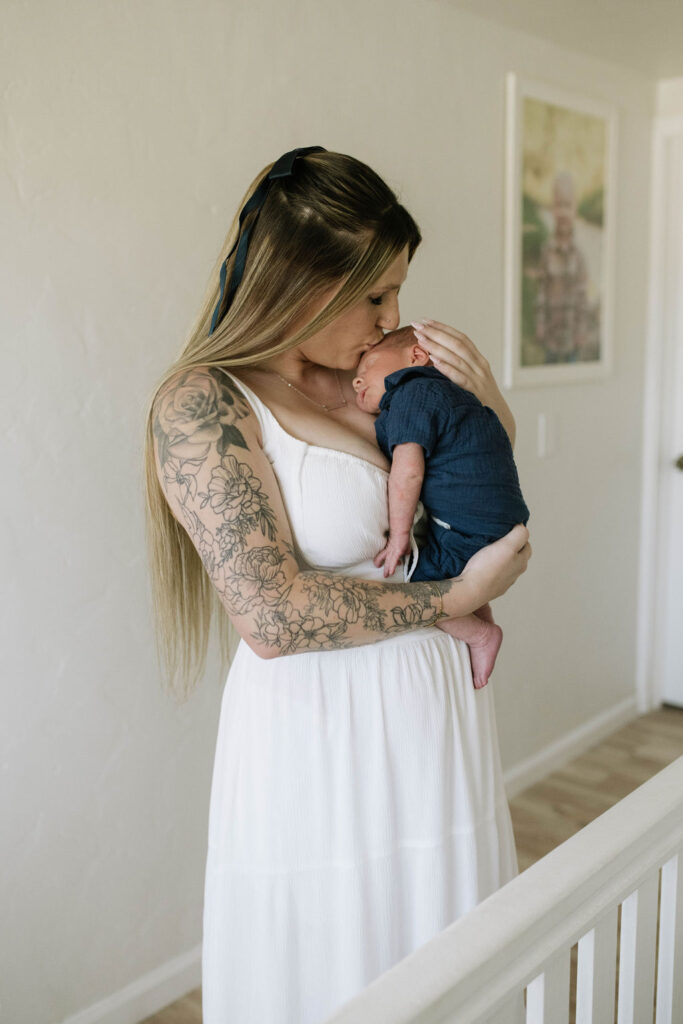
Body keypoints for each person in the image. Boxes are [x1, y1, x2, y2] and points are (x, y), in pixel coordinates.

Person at [144, 147, 531, 1024]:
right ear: (296, 283)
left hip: (436, 735)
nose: (395, 316)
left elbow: (490, 526)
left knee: (452, 962)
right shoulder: (204, 403)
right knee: (336, 976)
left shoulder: (386, 380)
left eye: (397, 290)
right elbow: (271, 615)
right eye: (374, 295)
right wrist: (457, 601)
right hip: (321, 752)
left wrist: (493, 416)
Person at [352, 325, 530, 690]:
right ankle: (481, 620)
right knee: (461, 573)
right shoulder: (449, 397)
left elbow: (407, 474)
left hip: (470, 525)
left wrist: (399, 534)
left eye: (366, 366)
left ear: (415, 358)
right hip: (491, 520)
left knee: (418, 585)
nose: (357, 381)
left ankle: (480, 635)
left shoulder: (409, 394)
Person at [535, 169, 589, 363]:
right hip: (551, 332)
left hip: (571, 333)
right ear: (553, 210)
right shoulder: (547, 252)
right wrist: (540, 324)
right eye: (559, 206)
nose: (563, 212)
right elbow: (541, 290)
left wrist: (581, 330)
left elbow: (582, 296)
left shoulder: (579, 256)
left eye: (568, 206)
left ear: (574, 210)